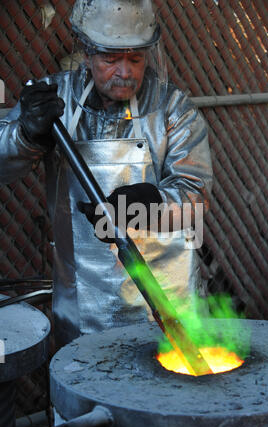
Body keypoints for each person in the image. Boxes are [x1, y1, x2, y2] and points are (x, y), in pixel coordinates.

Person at [0, 0, 213, 351]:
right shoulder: (56, 103)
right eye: (111, 59)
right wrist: (26, 135)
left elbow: (195, 197)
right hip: (86, 307)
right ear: (86, 52)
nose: (125, 72)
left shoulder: (173, 109)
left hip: (168, 298)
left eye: (135, 59)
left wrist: (149, 204)